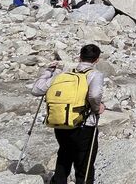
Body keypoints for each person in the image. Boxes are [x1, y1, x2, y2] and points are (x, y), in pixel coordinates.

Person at [32, 44, 105, 184]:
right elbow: (95, 95)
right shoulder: (95, 74)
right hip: (84, 125)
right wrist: (97, 108)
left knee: (64, 156)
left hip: (60, 123)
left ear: (79, 57)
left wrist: (48, 72)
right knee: (84, 163)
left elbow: (37, 90)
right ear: (97, 60)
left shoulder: (63, 74)